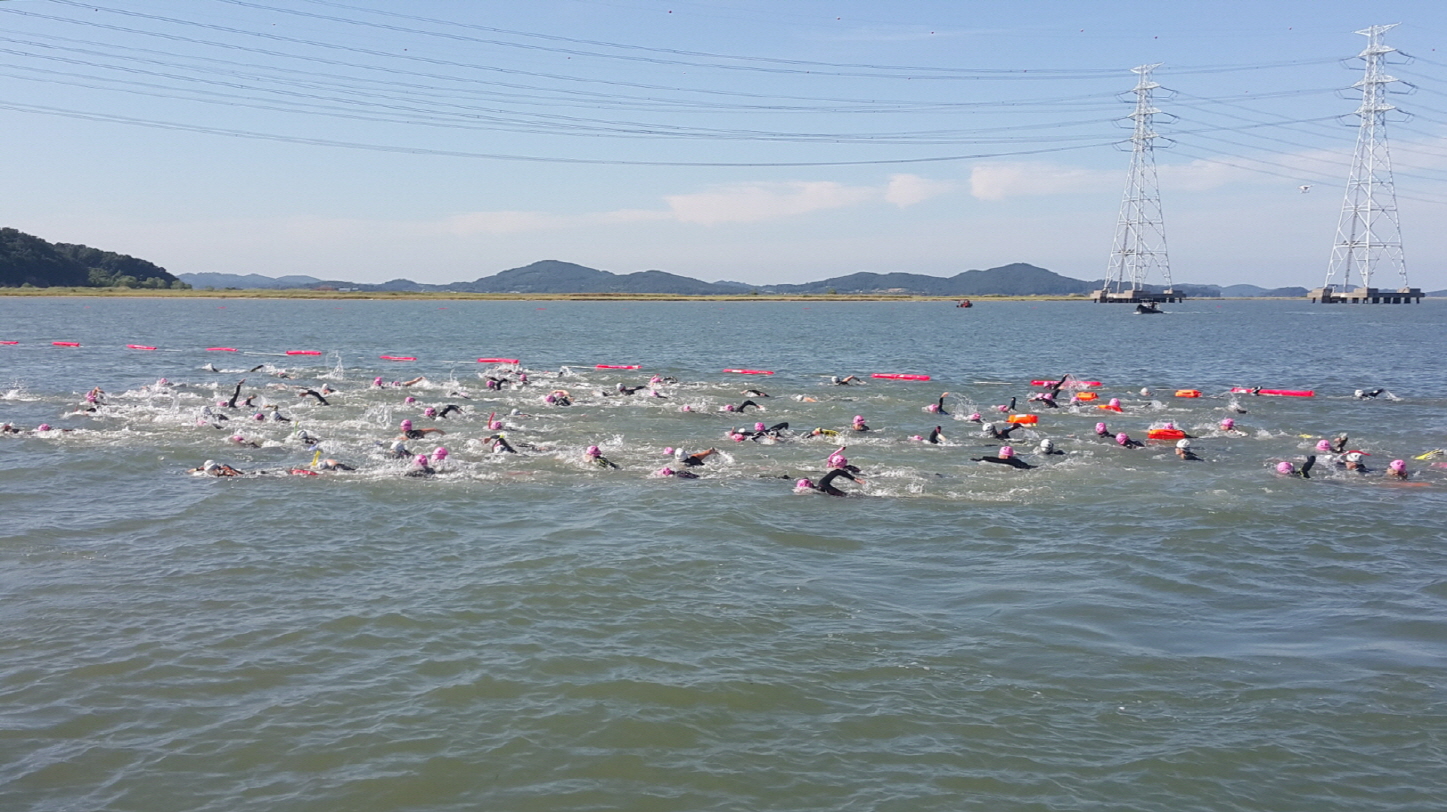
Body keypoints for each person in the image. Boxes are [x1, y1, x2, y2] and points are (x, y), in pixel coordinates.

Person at [795, 468, 862, 496]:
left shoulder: (817, 494)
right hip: (853, 497)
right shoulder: (822, 484)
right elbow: (837, 471)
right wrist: (854, 478)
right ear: (811, 483)